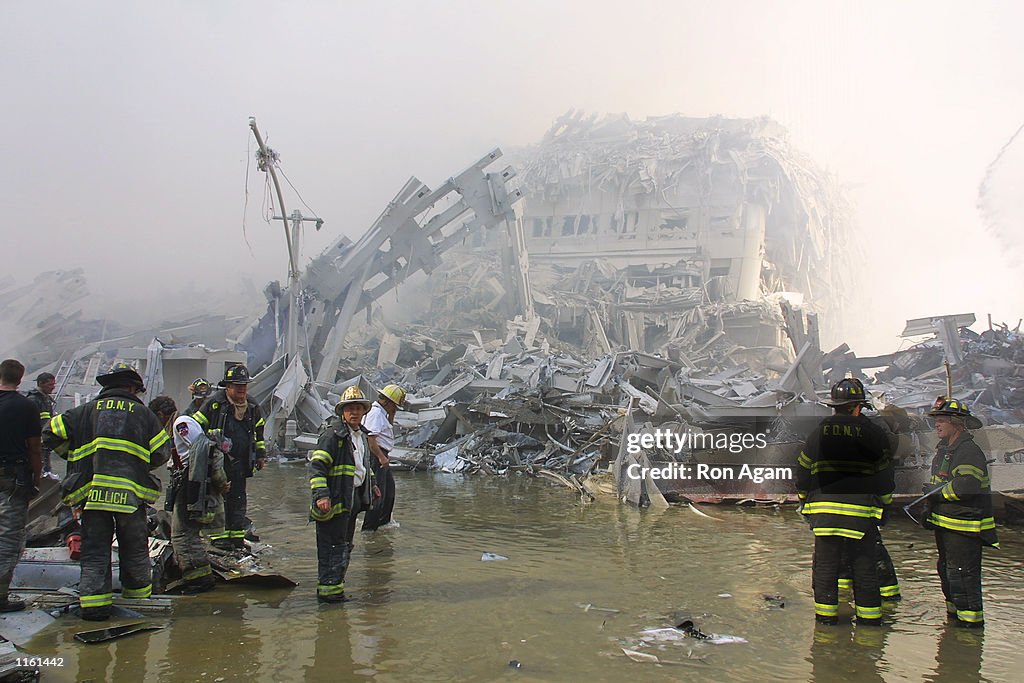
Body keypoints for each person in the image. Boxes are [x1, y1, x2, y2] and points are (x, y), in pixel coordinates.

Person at [42, 362, 171, 620]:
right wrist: (136, 462)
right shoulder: (144, 414)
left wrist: (76, 456)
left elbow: (49, 434)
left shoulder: (84, 411)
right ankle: (137, 601)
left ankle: (94, 606)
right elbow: (161, 453)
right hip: (130, 495)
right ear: (132, 388)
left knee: (94, 548)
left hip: (93, 495)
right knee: (135, 547)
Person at [797, 377, 894, 625]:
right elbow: (884, 475)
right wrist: (885, 503)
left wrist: (803, 498)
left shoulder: (819, 432)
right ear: (858, 406)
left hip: (824, 514)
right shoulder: (873, 434)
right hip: (860, 516)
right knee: (864, 568)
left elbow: (803, 469)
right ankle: (869, 628)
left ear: (835, 406)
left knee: (826, 569)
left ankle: (826, 627)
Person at [921, 397, 997, 628]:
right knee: (948, 574)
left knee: (962, 577)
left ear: (957, 422)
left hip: (964, 527)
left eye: (942, 419)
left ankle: (970, 632)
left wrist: (937, 494)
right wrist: (929, 507)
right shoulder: (945, 450)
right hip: (946, 525)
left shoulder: (968, 451)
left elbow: (967, 486)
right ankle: (953, 626)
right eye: (936, 420)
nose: (937, 424)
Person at [309, 386, 379, 603]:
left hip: (353, 499)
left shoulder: (360, 436)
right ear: (342, 412)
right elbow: (317, 467)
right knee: (332, 547)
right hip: (334, 501)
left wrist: (373, 484)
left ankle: (336, 590)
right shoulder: (332, 436)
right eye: (350, 409)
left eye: (358, 408)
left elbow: (363, 465)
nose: (355, 412)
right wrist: (321, 495)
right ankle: (328, 595)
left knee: (345, 545)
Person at [160, 396, 229, 593]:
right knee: (186, 534)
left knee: (183, 535)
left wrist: (219, 482)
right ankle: (197, 577)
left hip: (190, 483)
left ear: (160, 415)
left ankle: (199, 580)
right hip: (187, 481)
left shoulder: (182, 424)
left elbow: (206, 451)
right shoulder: (181, 425)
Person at [193, 364, 265, 550]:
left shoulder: (252, 405)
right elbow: (195, 429)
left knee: (238, 500)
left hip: (241, 462)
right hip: (218, 463)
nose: (241, 389)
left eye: (244, 385)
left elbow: (259, 431)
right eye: (237, 385)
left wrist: (260, 455)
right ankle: (219, 539)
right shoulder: (215, 404)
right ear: (228, 386)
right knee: (218, 500)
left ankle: (237, 539)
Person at [0, 359, 43, 612]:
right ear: (21, 378)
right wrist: (36, 478)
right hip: (12, 479)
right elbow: (35, 448)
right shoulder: (26, 406)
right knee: (7, 538)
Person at [361, 384, 405, 531]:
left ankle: (383, 523)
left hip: (381, 454)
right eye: (395, 406)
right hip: (376, 455)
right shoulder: (375, 414)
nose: (396, 409)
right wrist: (381, 457)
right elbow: (371, 439)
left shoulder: (382, 413)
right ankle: (369, 529)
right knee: (378, 495)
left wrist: (391, 415)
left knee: (389, 493)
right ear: (389, 402)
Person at [24, 371, 57, 478]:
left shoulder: (45, 399)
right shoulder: (33, 400)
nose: (53, 387)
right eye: (50, 385)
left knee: (45, 464)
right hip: (37, 441)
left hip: (45, 439)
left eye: (53, 384)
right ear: (41, 384)